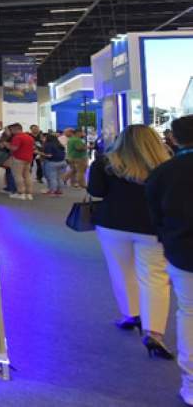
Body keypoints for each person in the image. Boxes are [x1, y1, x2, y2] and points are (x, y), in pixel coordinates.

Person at [89, 124, 173, 360]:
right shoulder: (165, 164)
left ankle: (131, 314)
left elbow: (96, 191)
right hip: (152, 227)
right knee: (155, 278)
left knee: (122, 271)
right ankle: (154, 332)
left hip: (112, 224)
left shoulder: (104, 163)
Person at [147, 115, 193, 404]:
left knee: (189, 313)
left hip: (183, 251)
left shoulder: (163, 173)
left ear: (173, 139)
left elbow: (156, 216)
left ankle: (191, 384)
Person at [7, 123, 36, 200]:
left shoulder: (17, 137)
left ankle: (21, 193)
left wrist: (7, 145)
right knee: (27, 176)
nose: (11, 131)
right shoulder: (30, 137)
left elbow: (14, 148)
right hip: (28, 159)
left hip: (18, 159)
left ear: (16, 129)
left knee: (18, 176)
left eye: (12, 130)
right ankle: (29, 194)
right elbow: (33, 148)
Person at [40, 132, 67, 196]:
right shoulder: (59, 144)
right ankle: (59, 190)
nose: (43, 139)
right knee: (59, 178)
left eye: (44, 138)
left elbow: (49, 155)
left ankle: (53, 191)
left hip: (52, 163)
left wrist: (39, 153)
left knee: (52, 178)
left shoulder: (48, 144)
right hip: (63, 162)